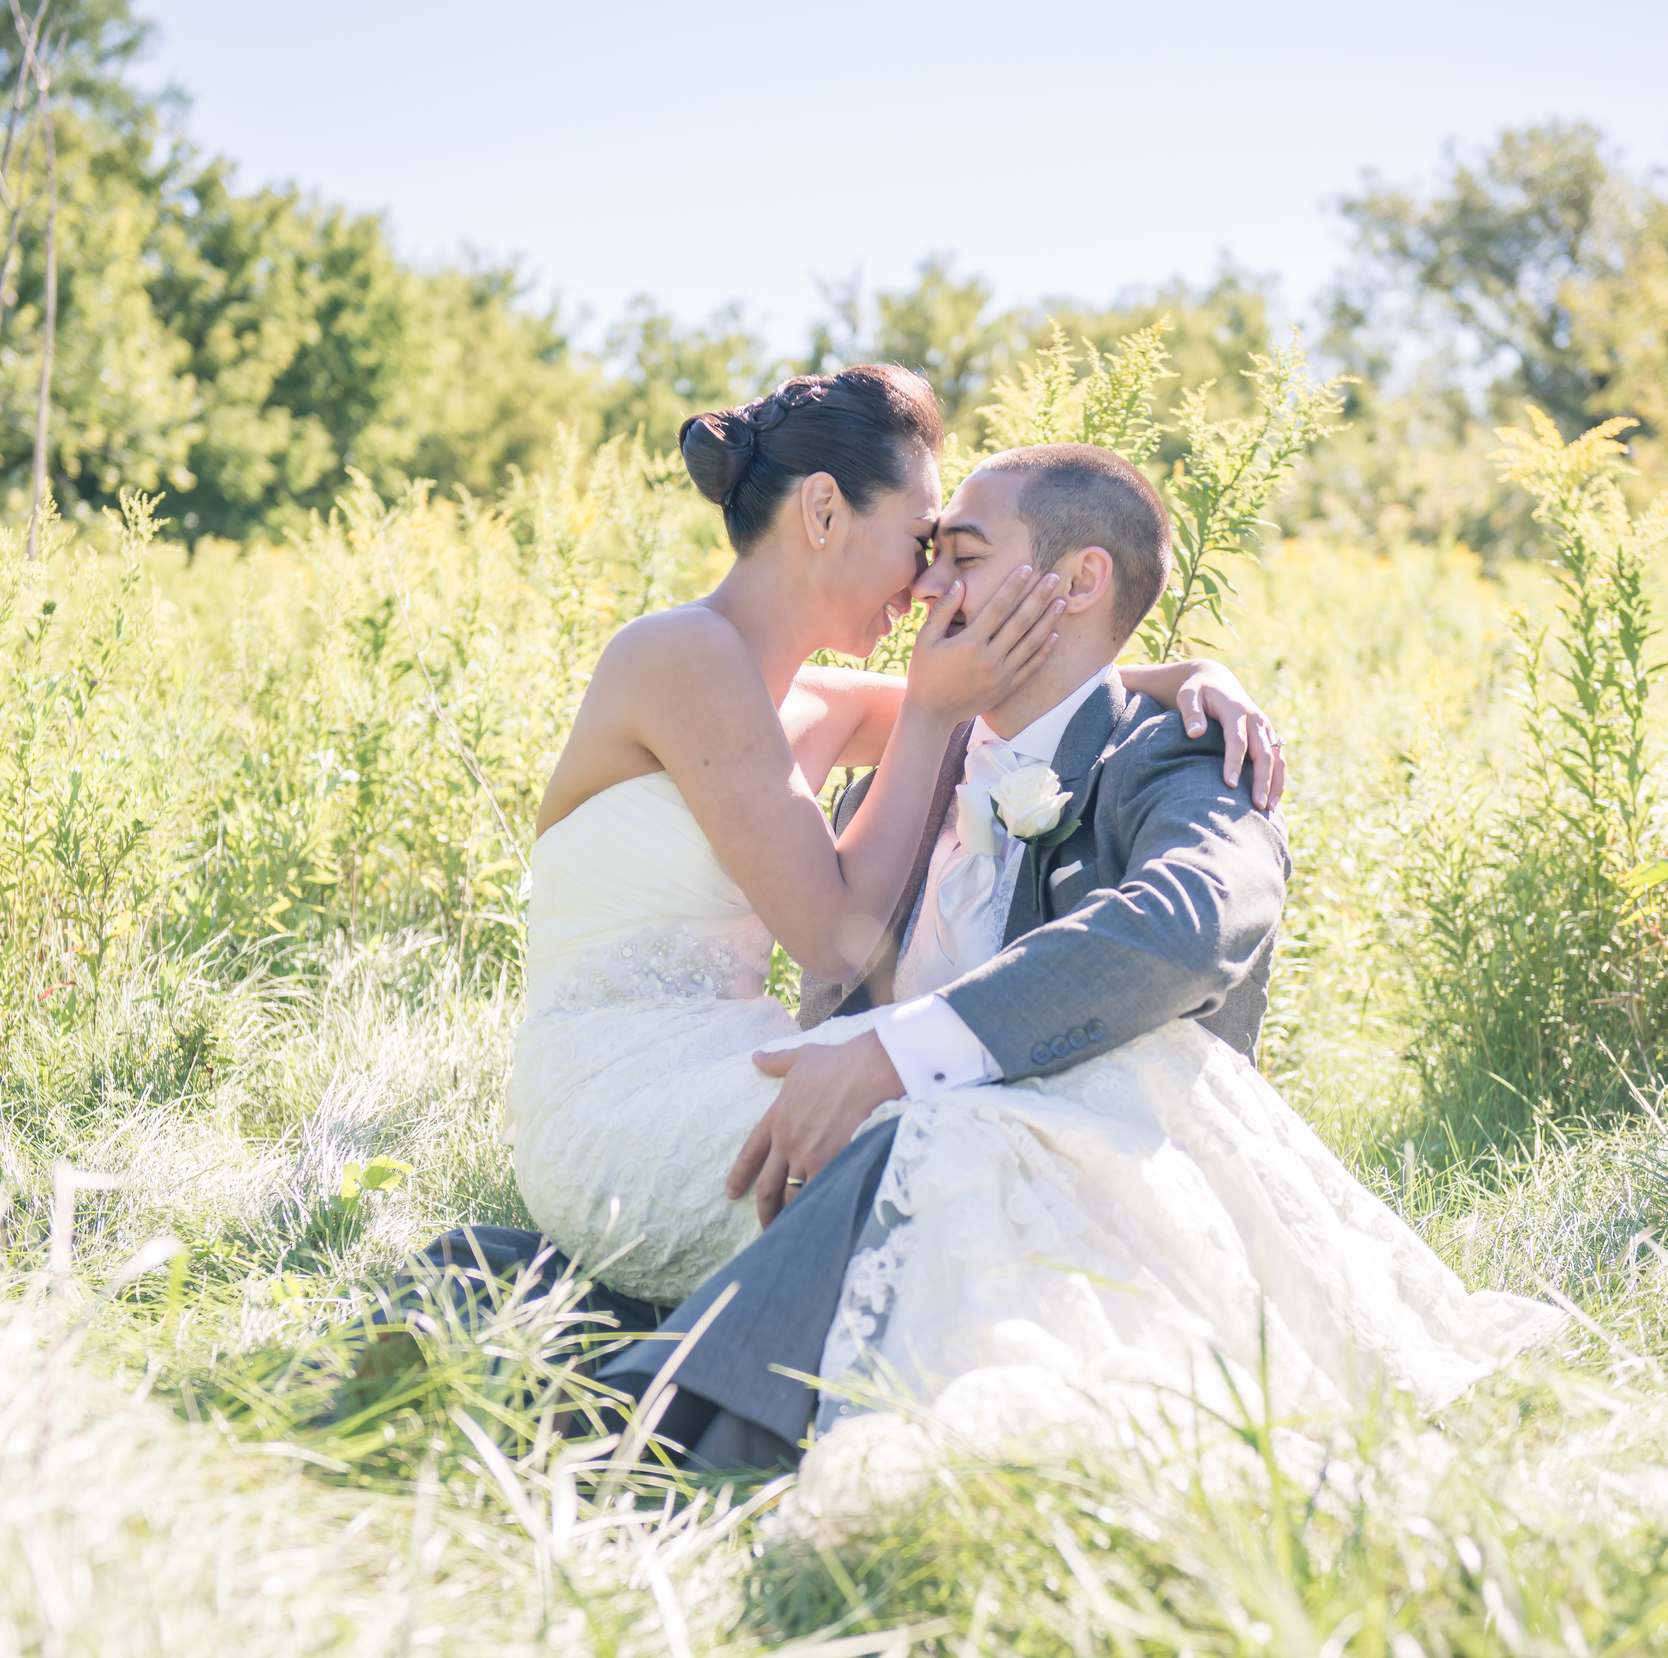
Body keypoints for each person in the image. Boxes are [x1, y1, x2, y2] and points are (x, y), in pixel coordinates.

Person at [593, 439, 1565, 1476]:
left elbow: (1193, 921)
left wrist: (896, 1057)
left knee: (922, 1151)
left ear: (1078, 580)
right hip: (855, 1175)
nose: (924, 584)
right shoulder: (904, 772)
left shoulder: (1180, 756)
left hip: (1084, 1182)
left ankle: (641, 1440)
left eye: (960, 555)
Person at [492, 364, 1279, 1329]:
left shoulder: (813, 699)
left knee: (982, 1135)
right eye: (918, 542)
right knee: (954, 1147)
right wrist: (925, 721)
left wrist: (1194, 670)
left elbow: (1025, 676)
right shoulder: (680, 657)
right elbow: (833, 942)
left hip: (740, 1057)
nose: (924, 587)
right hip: (624, 1103)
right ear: (822, 512)